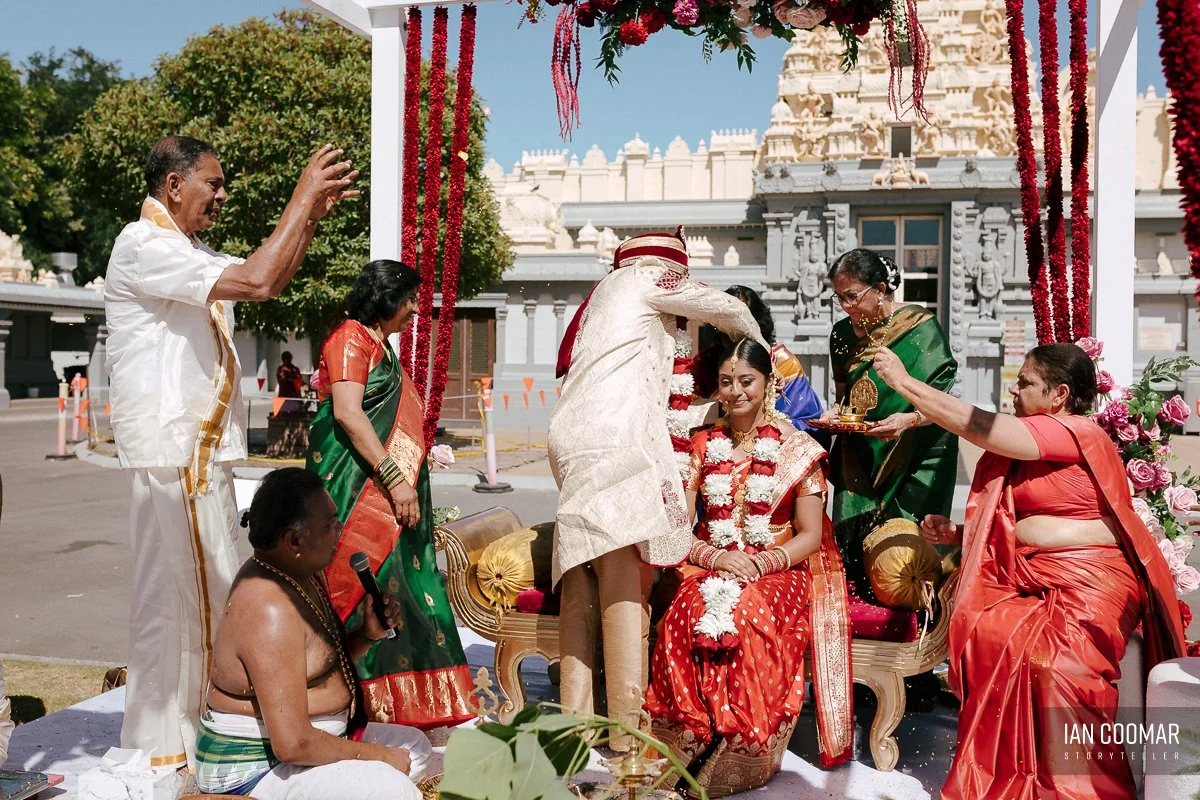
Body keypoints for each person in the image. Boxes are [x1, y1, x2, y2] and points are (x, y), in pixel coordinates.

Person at [105, 136, 357, 769]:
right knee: (200, 598)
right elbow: (258, 277)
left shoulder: (182, 250)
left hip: (194, 455)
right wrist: (299, 197)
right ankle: (184, 746)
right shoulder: (143, 245)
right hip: (176, 454)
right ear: (173, 186)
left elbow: (265, 277)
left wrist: (309, 219)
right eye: (212, 184)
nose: (221, 196)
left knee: (198, 596)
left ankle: (184, 739)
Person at [872, 342, 1185, 799]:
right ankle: (1016, 779)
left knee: (1056, 665)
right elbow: (1017, 515)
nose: (1014, 392)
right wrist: (962, 533)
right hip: (1035, 579)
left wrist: (904, 384)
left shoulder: (1075, 430)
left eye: (1025, 383)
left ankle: (1084, 790)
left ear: (1059, 394)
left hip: (1092, 579)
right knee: (995, 638)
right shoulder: (1040, 434)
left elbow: (980, 427)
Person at [550, 230, 765, 751]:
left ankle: (573, 730)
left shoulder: (601, 297)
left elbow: (645, 392)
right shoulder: (649, 278)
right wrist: (763, 352)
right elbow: (727, 307)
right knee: (624, 586)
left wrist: (705, 410)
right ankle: (627, 733)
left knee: (583, 577)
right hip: (614, 446)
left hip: (572, 441)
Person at [645, 339, 852, 797]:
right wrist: (716, 557)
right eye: (726, 382)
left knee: (745, 615)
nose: (736, 391)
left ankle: (740, 741)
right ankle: (686, 735)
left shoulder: (799, 450)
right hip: (714, 563)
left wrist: (762, 563)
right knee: (686, 608)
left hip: (778, 570)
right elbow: (680, 523)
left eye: (746, 380)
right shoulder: (703, 445)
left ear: (768, 383)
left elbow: (810, 536)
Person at [305, 259, 474, 729]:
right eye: (408, 301)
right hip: (357, 493)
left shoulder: (381, 347)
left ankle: (412, 708)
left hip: (389, 492)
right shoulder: (349, 339)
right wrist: (396, 479)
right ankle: (352, 702)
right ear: (384, 299)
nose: (415, 311)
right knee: (362, 591)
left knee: (407, 590)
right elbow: (348, 415)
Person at [196, 468, 431, 800]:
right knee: (391, 787)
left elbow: (313, 664)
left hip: (304, 745)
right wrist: (380, 757)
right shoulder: (268, 608)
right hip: (256, 772)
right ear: (294, 540)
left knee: (415, 748)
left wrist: (367, 635)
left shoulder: (297, 571)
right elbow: (293, 743)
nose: (339, 530)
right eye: (328, 525)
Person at [824, 249, 958, 596]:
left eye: (852, 296)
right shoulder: (841, 335)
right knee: (856, 551)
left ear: (880, 289)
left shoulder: (920, 327)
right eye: (839, 297)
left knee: (907, 551)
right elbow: (845, 394)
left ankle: (920, 620)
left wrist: (909, 419)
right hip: (863, 452)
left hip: (917, 449)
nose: (846, 306)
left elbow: (943, 401)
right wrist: (834, 414)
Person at [693, 285, 826, 437]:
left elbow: (812, 426)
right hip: (717, 449)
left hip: (772, 450)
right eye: (729, 334)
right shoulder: (705, 363)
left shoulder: (783, 364)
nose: (737, 343)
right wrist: (719, 404)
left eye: (745, 334)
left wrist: (769, 423)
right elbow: (682, 416)